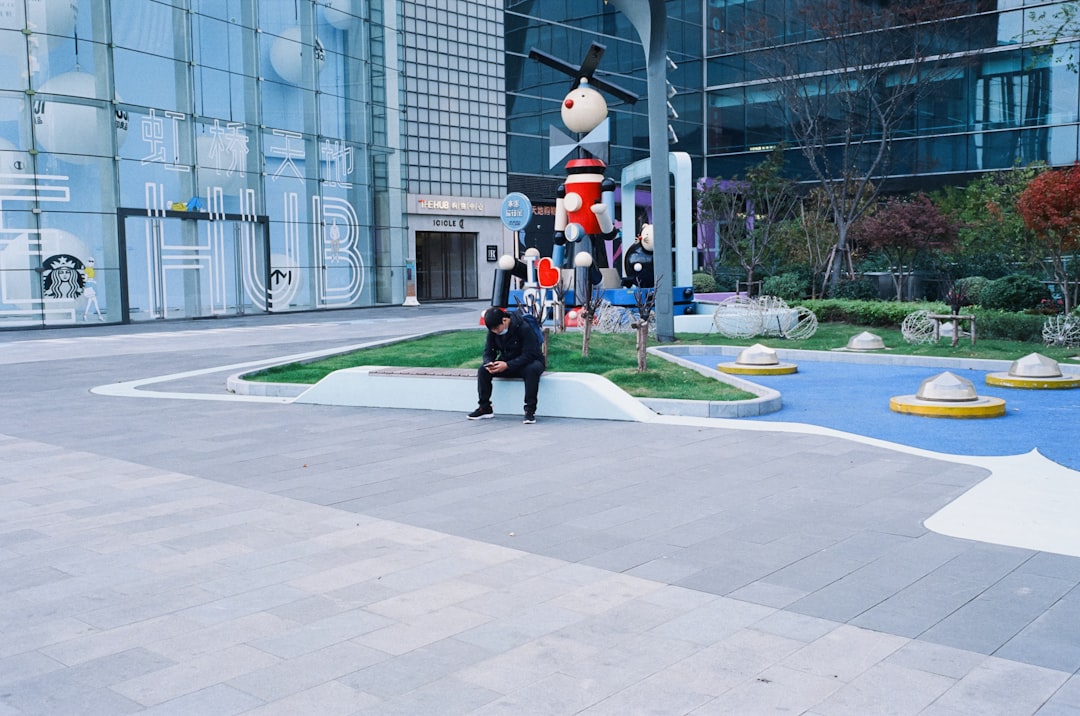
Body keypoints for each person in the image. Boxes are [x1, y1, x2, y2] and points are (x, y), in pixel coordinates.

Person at [468, 306, 546, 424]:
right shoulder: (493, 330)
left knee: (532, 370)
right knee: (483, 370)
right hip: (506, 362)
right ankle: (485, 408)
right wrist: (489, 363)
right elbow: (488, 351)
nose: (496, 332)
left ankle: (530, 410)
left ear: (504, 320)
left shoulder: (524, 327)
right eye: (492, 330)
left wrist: (508, 365)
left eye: (497, 329)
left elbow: (530, 354)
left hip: (528, 362)